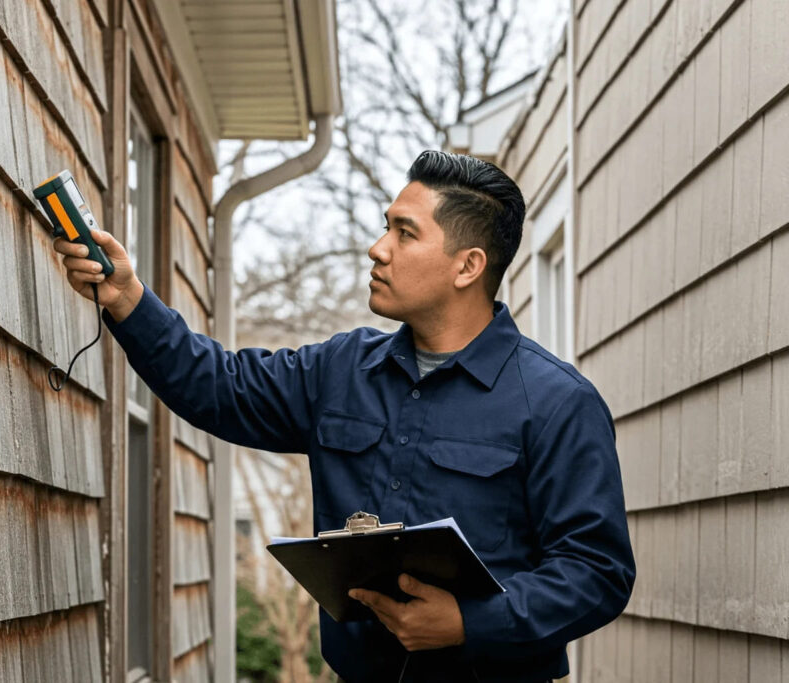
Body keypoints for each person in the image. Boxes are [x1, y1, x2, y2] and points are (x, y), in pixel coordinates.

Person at [55, 150, 635, 682]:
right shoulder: (340, 371)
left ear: (467, 266)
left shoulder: (558, 402)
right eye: (387, 225)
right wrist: (128, 299)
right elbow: (218, 387)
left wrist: (469, 622)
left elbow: (596, 571)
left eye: (404, 233)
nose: (377, 247)